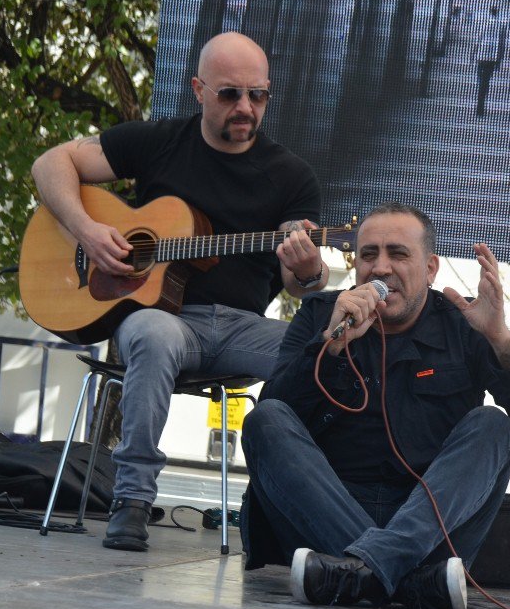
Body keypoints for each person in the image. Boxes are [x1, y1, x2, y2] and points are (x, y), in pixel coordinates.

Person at [30, 32, 329, 551]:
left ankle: (298, 512)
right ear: (198, 89)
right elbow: (49, 164)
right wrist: (85, 229)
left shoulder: (292, 176)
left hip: (242, 326)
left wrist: (308, 270)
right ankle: (132, 500)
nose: (245, 107)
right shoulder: (159, 142)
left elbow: (300, 285)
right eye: (229, 94)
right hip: (165, 319)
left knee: (320, 355)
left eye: (258, 95)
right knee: (149, 330)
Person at [240, 203, 510, 609]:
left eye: (398, 254)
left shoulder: (466, 321)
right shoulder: (322, 316)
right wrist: (333, 344)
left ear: (430, 269)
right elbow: (273, 423)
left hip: (428, 524)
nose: (380, 268)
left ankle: (363, 572)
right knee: (265, 418)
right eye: (368, 255)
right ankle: (405, 581)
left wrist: (500, 339)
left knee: (493, 425)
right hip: (323, 515)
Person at [473, 6, 507, 117]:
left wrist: (473, 54)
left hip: (481, 56)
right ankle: (481, 106)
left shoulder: (483, 24)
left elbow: (477, 39)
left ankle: (479, 105)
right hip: (492, 59)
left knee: (480, 81)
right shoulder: (501, 27)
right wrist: (499, 60)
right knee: (485, 82)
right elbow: (501, 45)